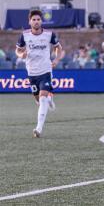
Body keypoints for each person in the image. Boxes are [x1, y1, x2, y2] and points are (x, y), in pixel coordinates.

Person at [15, 10, 64, 138]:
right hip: (31, 72)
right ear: (29, 21)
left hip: (45, 70)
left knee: (42, 98)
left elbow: (59, 47)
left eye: (38, 19)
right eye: (34, 20)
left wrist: (57, 60)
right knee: (38, 99)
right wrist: (21, 54)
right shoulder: (24, 35)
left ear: (41, 21)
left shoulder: (49, 34)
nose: (36, 22)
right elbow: (18, 50)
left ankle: (39, 128)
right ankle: (49, 98)